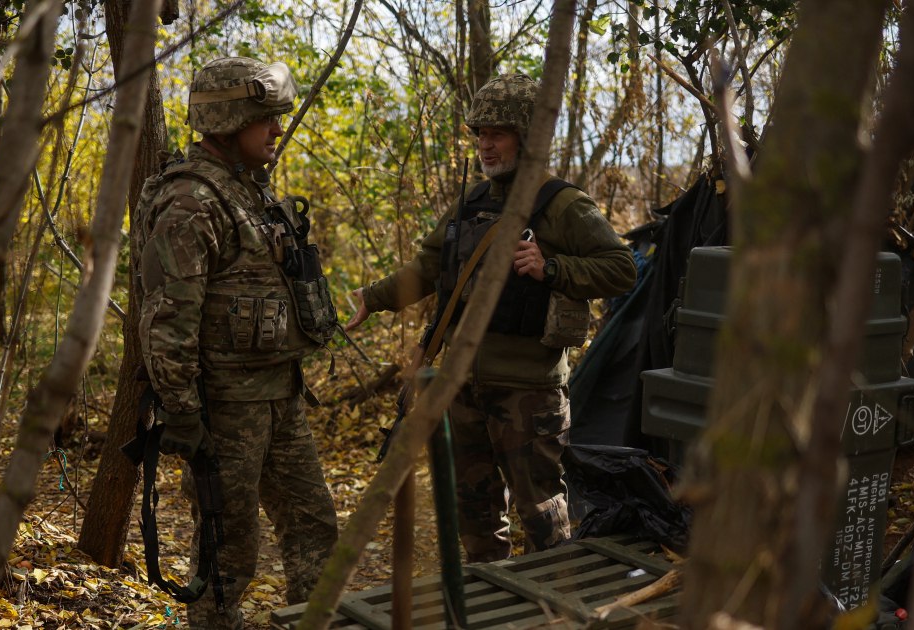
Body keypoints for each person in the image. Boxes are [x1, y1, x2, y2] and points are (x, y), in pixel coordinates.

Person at [345, 73, 637, 563]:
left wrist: (553, 268)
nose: (485, 145)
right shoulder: (472, 203)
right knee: (474, 512)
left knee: (541, 513)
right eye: (480, 134)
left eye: (496, 133)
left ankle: (547, 610)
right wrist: (373, 297)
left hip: (529, 391)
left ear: (527, 137)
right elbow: (427, 269)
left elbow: (622, 269)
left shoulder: (562, 204)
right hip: (464, 388)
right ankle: (487, 605)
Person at [134, 56, 340, 628]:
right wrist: (181, 412)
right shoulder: (191, 203)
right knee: (228, 552)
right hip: (225, 410)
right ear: (229, 121)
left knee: (315, 527)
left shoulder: (252, 192)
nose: (278, 129)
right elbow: (168, 322)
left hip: (281, 397)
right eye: (267, 118)